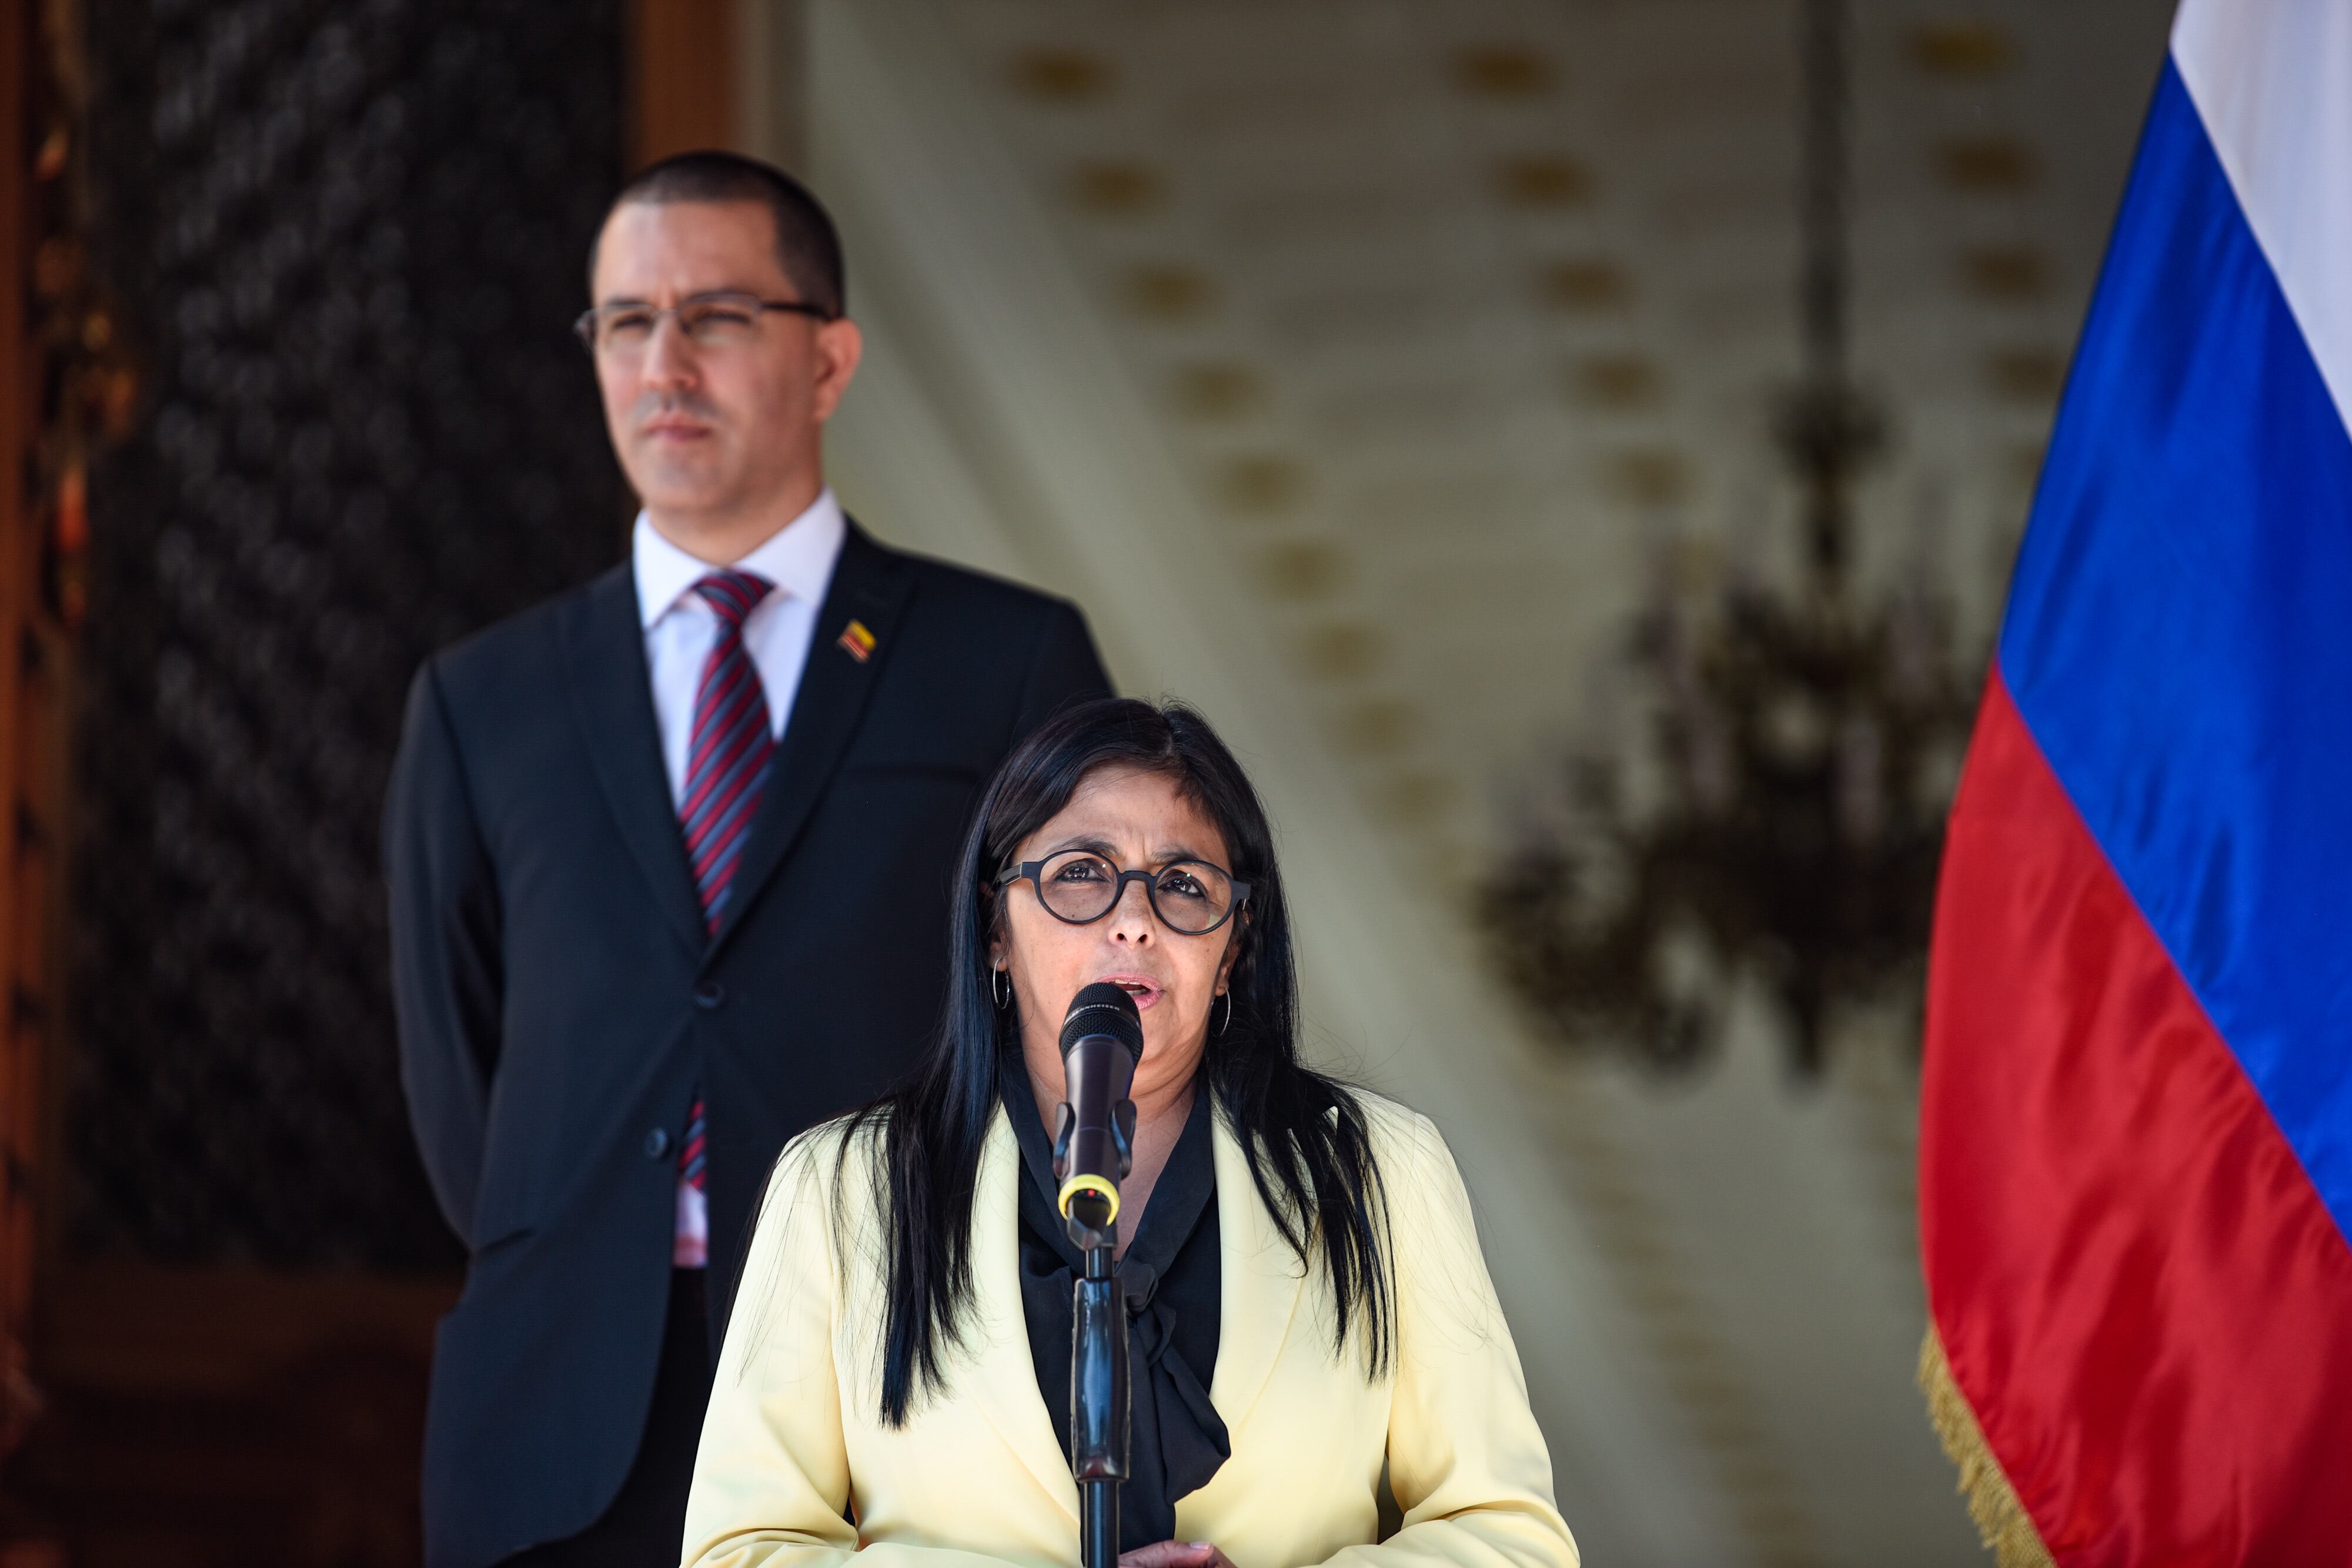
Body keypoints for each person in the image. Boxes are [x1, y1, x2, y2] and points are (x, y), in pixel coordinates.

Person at [384, 152, 1110, 1568]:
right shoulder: (483, 700)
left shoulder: (1004, 660)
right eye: (623, 323)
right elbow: (456, 1064)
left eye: (715, 316)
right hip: (553, 1424)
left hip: (906, 1397)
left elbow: (1093, 1012)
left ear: (829, 358)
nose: (663, 364)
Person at [684, 698, 1577, 1567]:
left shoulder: (1380, 1172)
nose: (1134, 920)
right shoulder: (844, 1188)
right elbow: (739, 1550)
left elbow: (1510, 1538)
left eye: (1185, 886)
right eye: (1081, 872)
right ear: (996, 925)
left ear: (1234, 947)